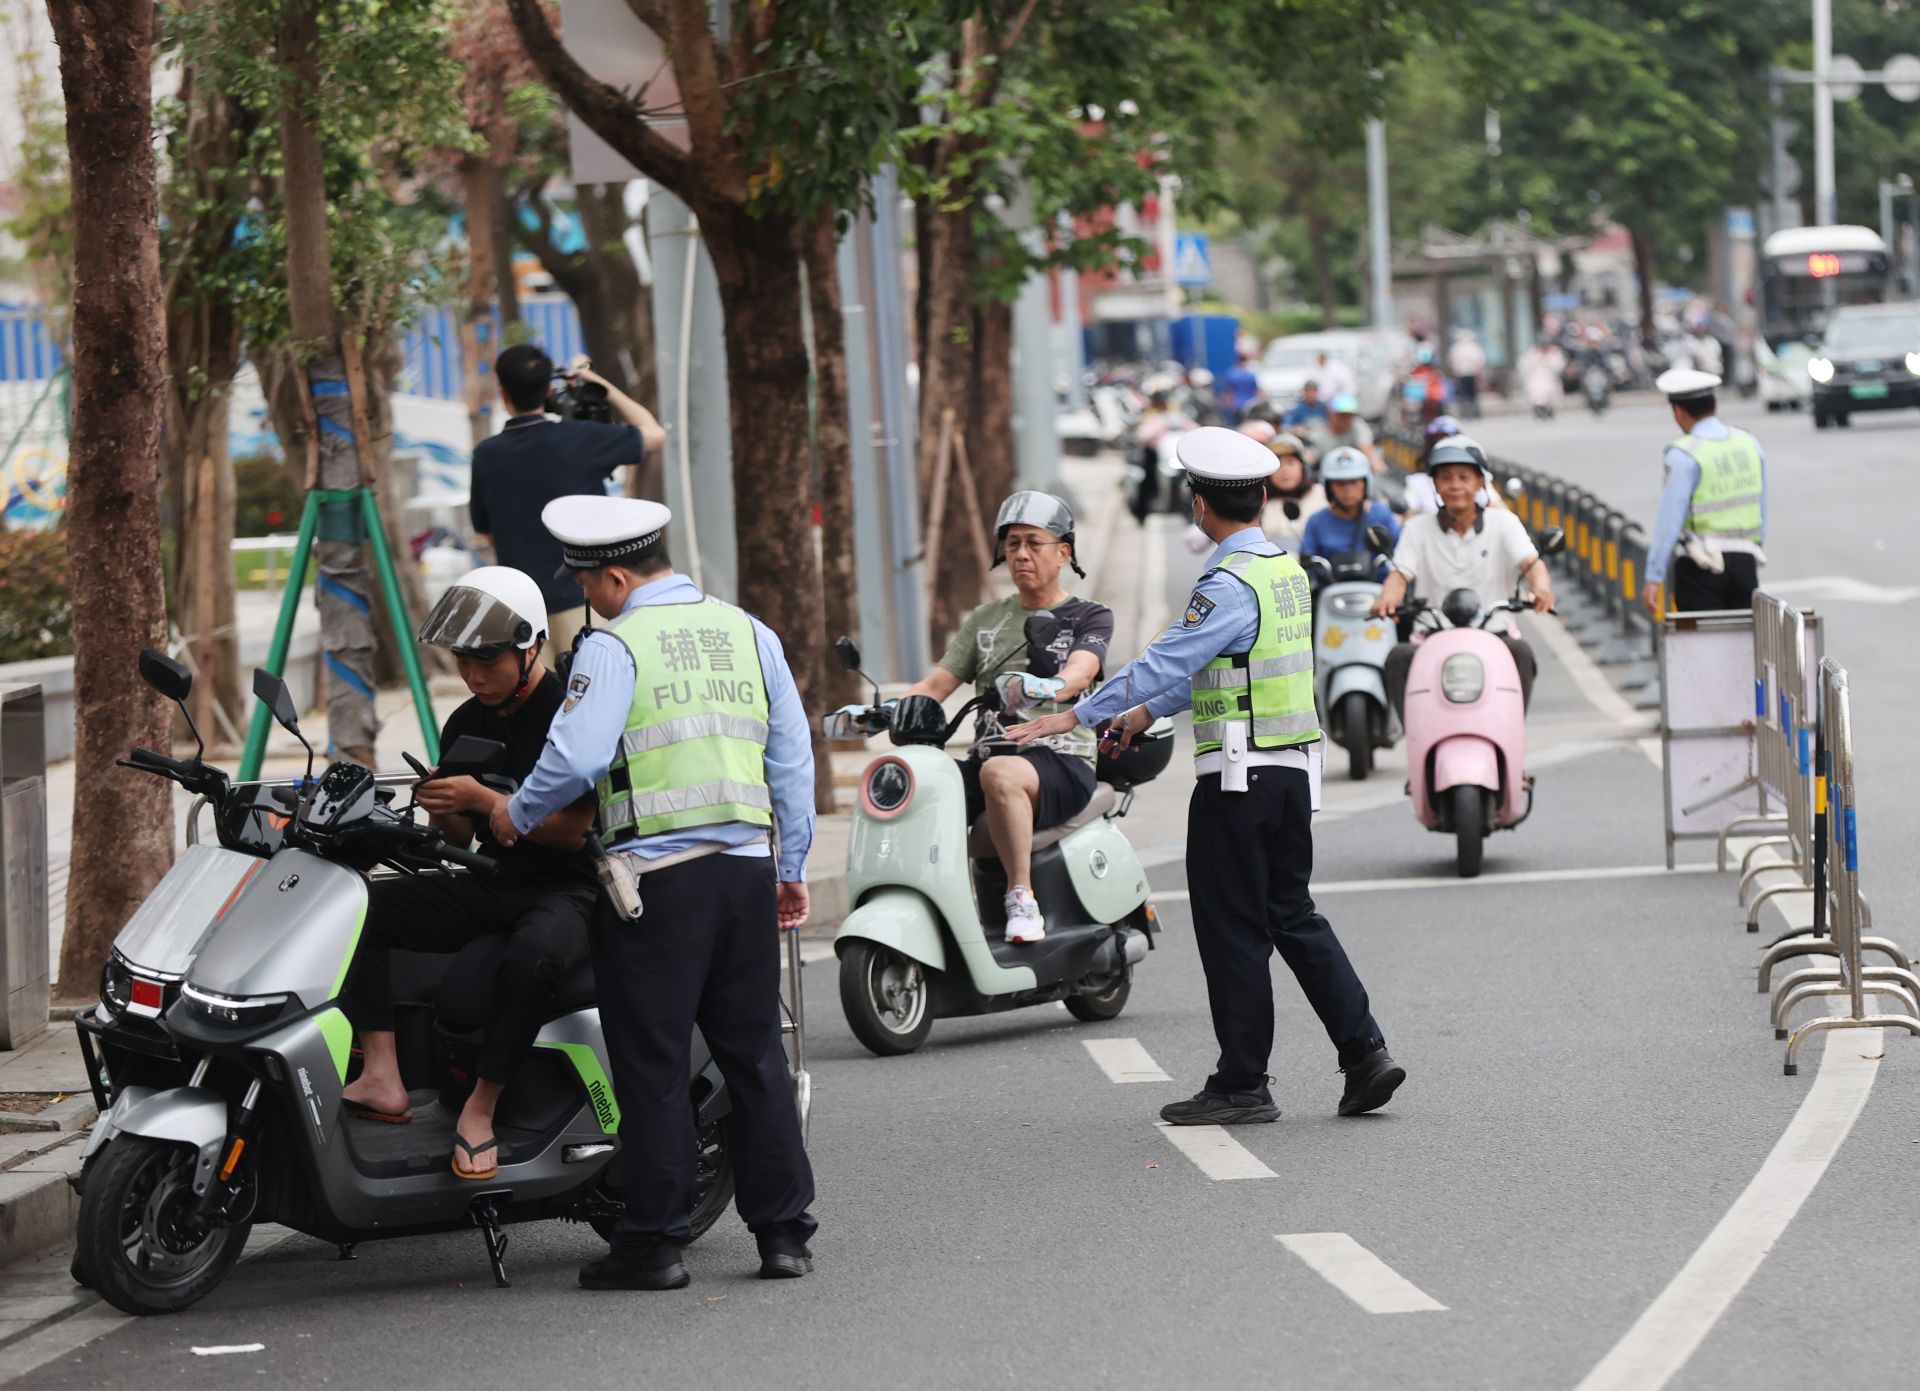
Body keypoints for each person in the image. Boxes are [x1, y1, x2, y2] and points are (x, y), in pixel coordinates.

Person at [1005, 426, 1404, 1125]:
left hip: (1238, 778)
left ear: (1199, 503)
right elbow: (1226, 670)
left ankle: (1243, 1081)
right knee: (1292, 914)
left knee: (1231, 927)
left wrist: (1078, 712)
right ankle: (1365, 1051)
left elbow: (1168, 658)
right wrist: (1140, 714)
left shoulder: (1225, 582)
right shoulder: (1284, 569)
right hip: (1290, 772)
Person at [491, 495, 817, 1291]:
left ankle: (654, 1242)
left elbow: (574, 758)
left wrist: (513, 813)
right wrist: (791, 864)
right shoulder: (749, 631)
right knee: (754, 1054)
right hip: (743, 872)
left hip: (654, 888)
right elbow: (792, 756)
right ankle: (783, 1235)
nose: (585, 598)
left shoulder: (613, 646)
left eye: (585, 583)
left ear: (612, 576)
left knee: (655, 1063)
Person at [339, 567, 600, 1179]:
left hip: (567, 884)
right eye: (464, 661)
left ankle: (480, 1110)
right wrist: (446, 809)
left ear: (530, 645)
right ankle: (382, 1074)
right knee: (357, 910)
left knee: (532, 956)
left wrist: (484, 800)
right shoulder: (465, 720)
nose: (475, 676)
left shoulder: (569, 716)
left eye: (489, 661)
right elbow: (457, 839)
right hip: (493, 876)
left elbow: (575, 831)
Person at [860, 493, 1112, 942]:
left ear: (1064, 551)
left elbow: (1081, 671)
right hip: (993, 756)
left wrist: (1048, 686)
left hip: (1061, 759)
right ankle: (929, 904)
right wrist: (880, 712)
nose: (1021, 554)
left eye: (1034, 543)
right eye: (1012, 544)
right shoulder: (985, 619)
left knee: (1000, 773)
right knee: (913, 783)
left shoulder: (1088, 615)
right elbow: (938, 684)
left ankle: (1021, 897)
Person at [468, 344, 668, 670]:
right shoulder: (583, 438)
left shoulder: (486, 455)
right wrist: (599, 385)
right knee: (595, 696)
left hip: (522, 614)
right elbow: (655, 434)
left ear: (501, 391)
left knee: (540, 712)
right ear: (548, 389)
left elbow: (484, 532)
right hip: (588, 600)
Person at [1373, 438, 1555, 714]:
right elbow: (1400, 574)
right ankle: (1415, 734)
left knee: (1521, 652)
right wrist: (1388, 597)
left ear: (1480, 482)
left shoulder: (1503, 522)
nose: (1455, 485)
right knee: (1399, 657)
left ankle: (1511, 728)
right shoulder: (1416, 528)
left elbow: (1531, 563)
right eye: (1445, 478)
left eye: (1463, 477)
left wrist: (1541, 588)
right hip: (1433, 636)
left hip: (1494, 635)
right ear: (1434, 484)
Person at [1641, 368, 1768, 615]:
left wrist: (1654, 577)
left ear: (1678, 412)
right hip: (1745, 560)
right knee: (1742, 646)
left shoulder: (1683, 454)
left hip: (1700, 566)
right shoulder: (1748, 443)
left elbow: (1670, 520)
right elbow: (1761, 506)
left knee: (1701, 649)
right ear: (1715, 404)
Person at [1300, 446, 1399, 577]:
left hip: (1379, 591)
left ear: (1365, 483)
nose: (1348, 489)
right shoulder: (1316, 521)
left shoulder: (1383, 515)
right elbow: (1307, 564)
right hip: (1330, 592)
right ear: (1329, 487)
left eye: (1354, 482)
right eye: (1340, 483)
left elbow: (1402, 556)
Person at [1260, 434, 1324, 552]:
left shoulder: (1322, 495)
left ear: (1303, 466)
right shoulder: (1260, 502)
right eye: (1278, 464)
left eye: (1290, 462)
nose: (1284, 470)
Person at [1309, 392, 1383, 474]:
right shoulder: (1318, 435)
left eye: (1349, 414)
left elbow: (1367, 449)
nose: (1345, 418)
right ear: (1330, 414)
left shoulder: (1357, 427)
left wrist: (1377, 466)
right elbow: (1310, 458)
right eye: (1341, 414)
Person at [1447, 330, 1486, 419]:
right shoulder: (1474, 347)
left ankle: (1468, 412)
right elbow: (1480, 362)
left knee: (1465, 395)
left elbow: (1452, 362)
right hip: (1469, 374)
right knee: (1471, 394)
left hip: (1464, 374)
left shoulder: (1457, 348)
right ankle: (1471, 412)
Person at [1220, 351, 1262, 422]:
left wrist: (1229, 403)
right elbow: (1257, 390)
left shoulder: (1231, 374)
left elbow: (1229, 391)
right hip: (1250, 404)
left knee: (1239, 424)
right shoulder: (1251, 375)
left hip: (1238, 404)